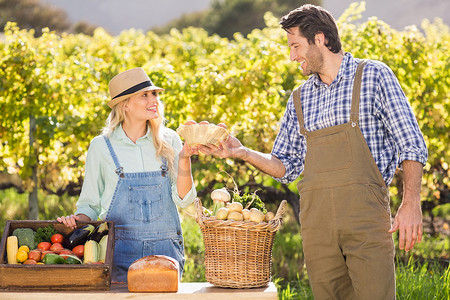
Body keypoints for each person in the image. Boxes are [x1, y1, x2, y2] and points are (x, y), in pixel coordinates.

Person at [198, 4, 427, 299]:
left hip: (366, 221)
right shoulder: (300, 97)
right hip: (318, 228)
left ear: (319, 39)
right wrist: (242, 152)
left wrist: (411, 204)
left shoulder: (372, 76)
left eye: (296, 46)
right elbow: (285, 166)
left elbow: (411, 142)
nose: (292, 56)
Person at [57, 67, 197, 282]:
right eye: (145, 95)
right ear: (125, 105)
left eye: (154, 94)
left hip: (165, 251)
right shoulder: (101, 146)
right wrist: (75, 221)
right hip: (118, 251)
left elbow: (184, 199)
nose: (154, 100)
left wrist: (185, 158)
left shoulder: (170, 140)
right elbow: (90, 206)